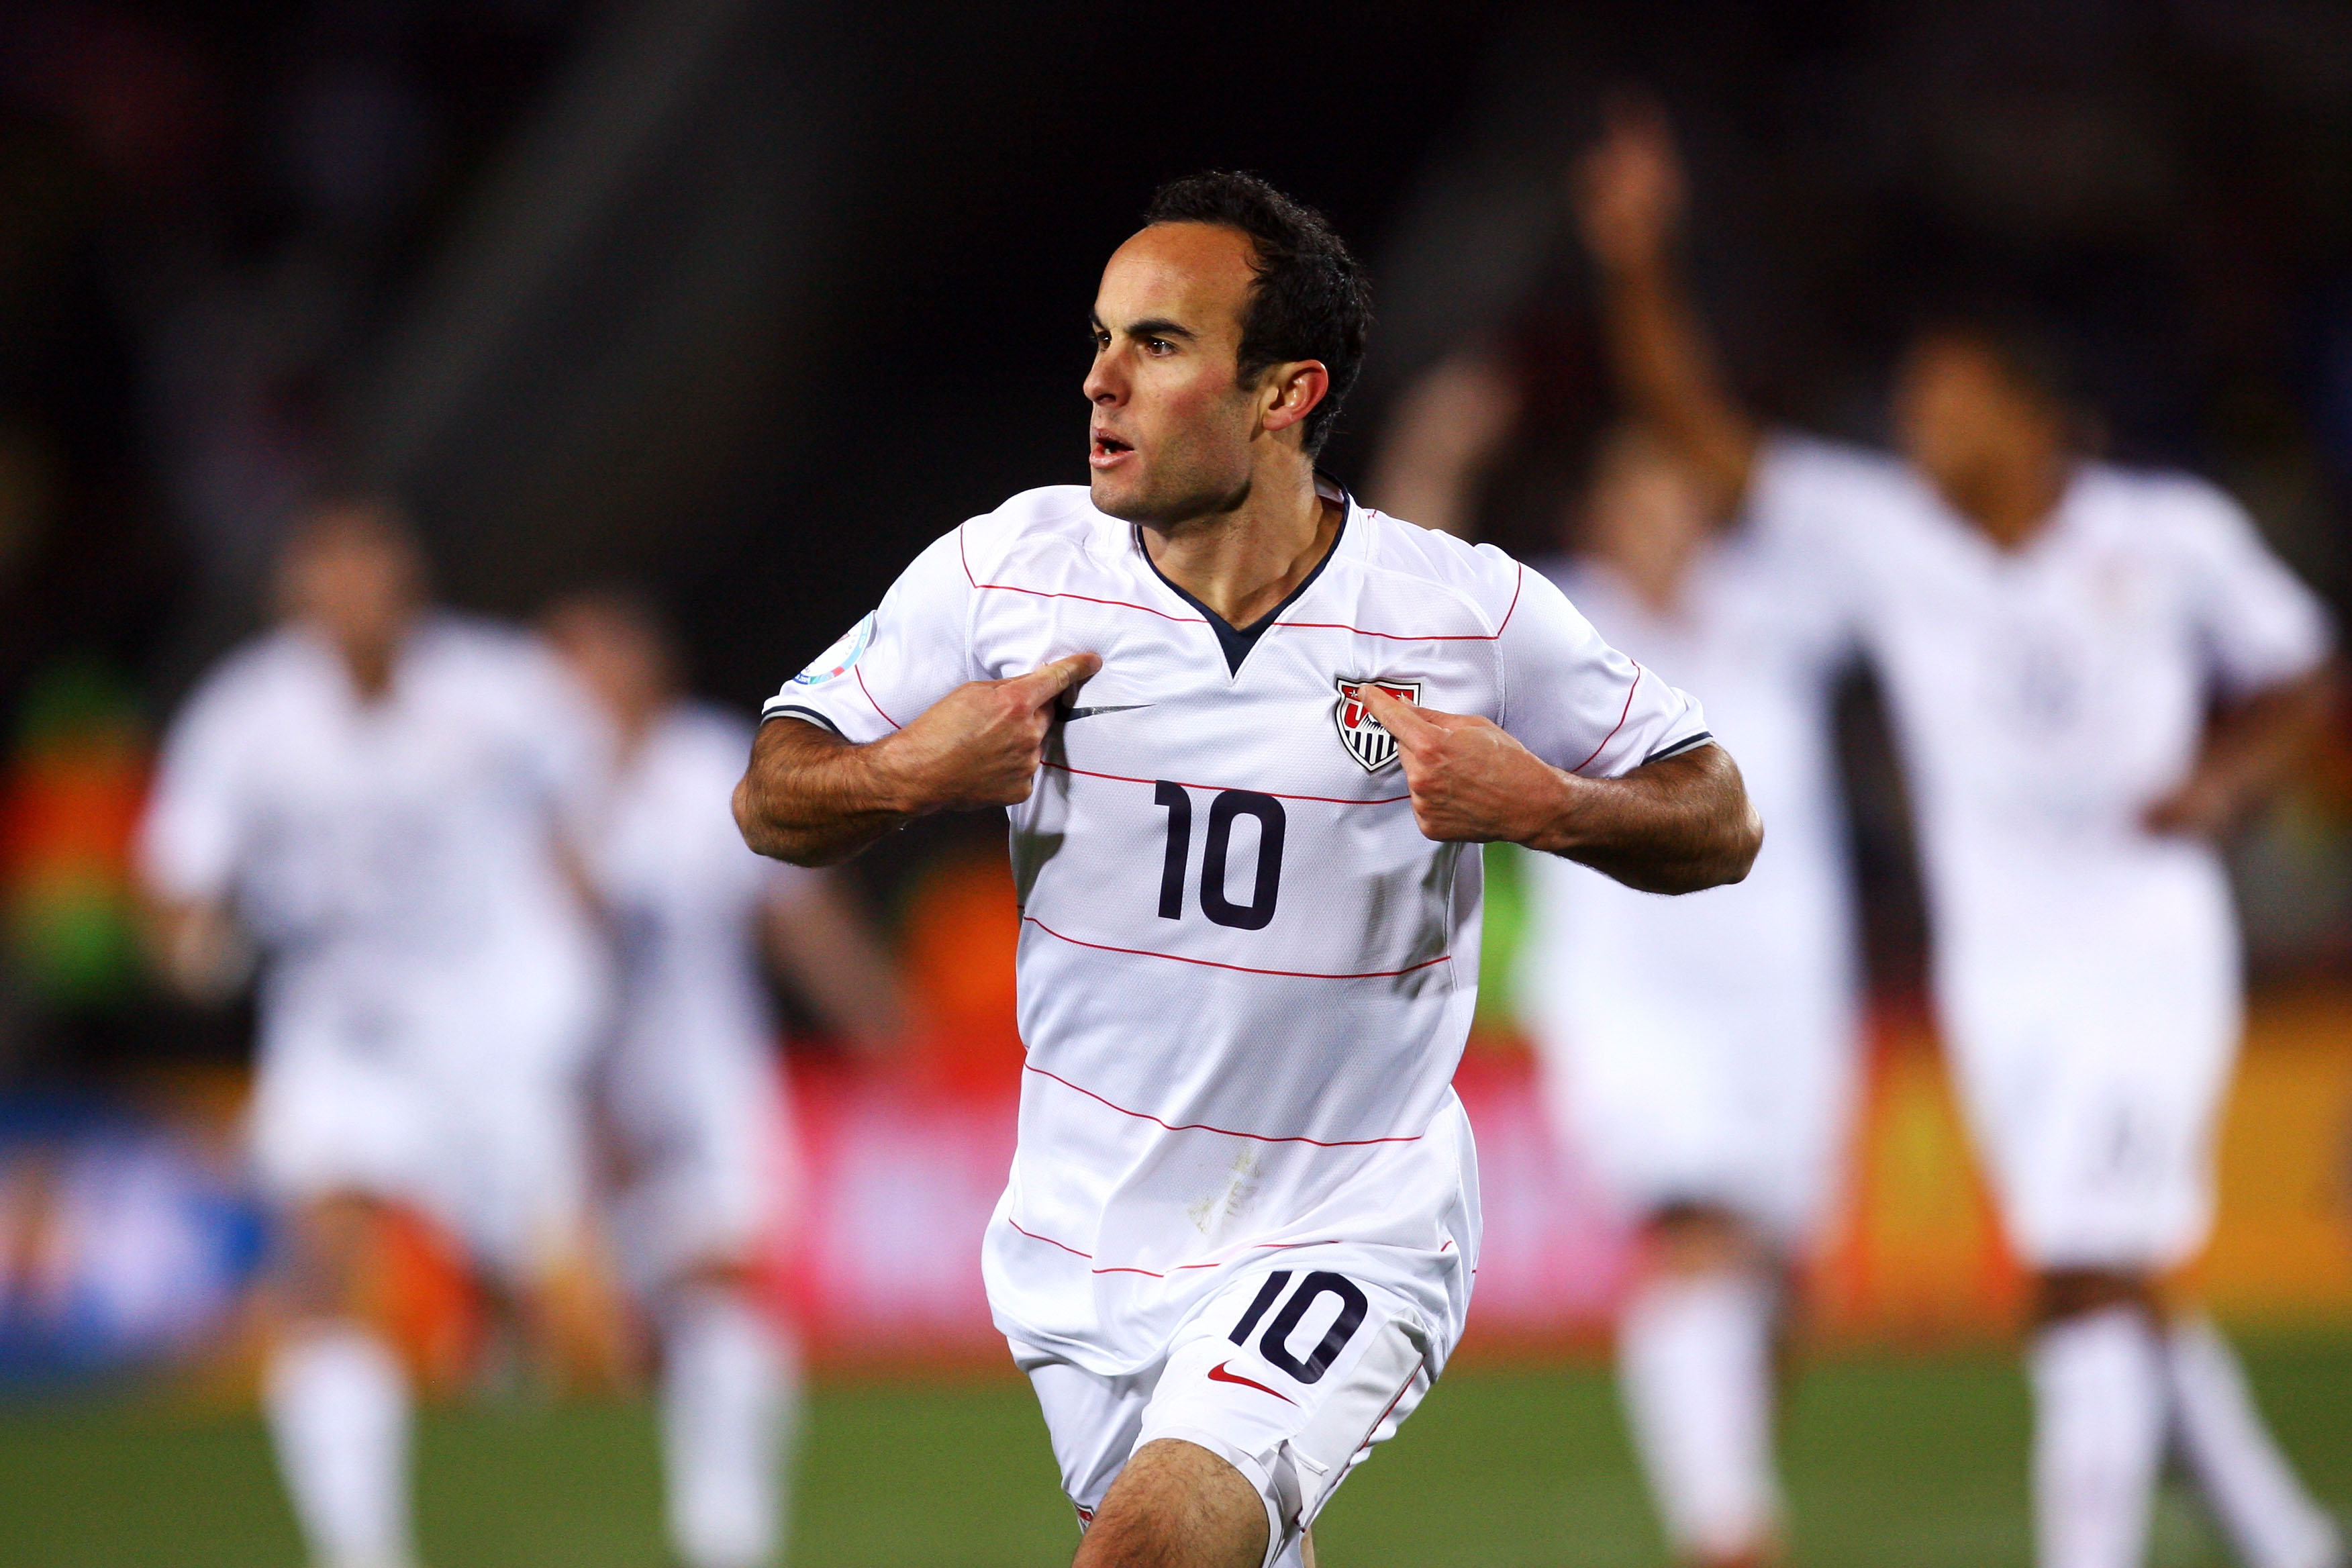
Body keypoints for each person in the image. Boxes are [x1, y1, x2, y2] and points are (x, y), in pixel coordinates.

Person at [732, 170, 1761, 1568]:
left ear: (1284, 393)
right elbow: (774, 790)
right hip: (1082, 1241)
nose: (1100, 380)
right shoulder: (1008, 573)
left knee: (1150, 1555)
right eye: (1101, 338)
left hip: (1350, 1220)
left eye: (1156, 344)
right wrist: (914, 773)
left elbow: (1718, 812)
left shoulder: (1458, 610)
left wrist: (1549, 805)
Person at [1577, 101, 2345, 1568]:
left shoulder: (2163, 535)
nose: (1917, 428)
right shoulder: (1893, 539)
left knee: (2086, 1274)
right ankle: (2287, 1536)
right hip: (2004, 984)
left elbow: (2303, 664)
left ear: (2026, 412)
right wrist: (1638, 265)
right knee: (2102, 1281)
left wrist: (2231, 784)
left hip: (2142, 952)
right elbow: (1701, 430)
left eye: (1943, 403)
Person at [1376, 384, 1861, 1564]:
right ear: (1603, 515)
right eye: (1637, 496)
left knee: (1777, 1280)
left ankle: (1730, 1481)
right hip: (1629, 997)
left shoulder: (1779, 611)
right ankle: (1729, 1532)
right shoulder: (1561, 625)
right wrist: (1437, 447)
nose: (1661, 518)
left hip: (1791, 997)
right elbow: (1394, 604)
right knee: (1694, 1235)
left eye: (1679, 494)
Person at [138, 499, 614, 1568]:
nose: (353, 596)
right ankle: (361, 1550)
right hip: (341, 1032)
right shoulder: (245, 717)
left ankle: (499, 1306)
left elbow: (585, 809)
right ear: (295, 596)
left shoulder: (499, 689)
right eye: (329, 574)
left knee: (534, 1293)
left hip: (494, 1024)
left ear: (410, 587)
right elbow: (173, 880)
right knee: (324, 1266)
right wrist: (192, 947)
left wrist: (585, 964)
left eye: (373, 571)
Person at [544, 588, 905, 1568]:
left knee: (728, 1293)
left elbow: (793, 910)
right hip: (575, 1098)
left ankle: (727, 1536)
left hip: (707, 1081)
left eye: (606, 654)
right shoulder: (537, 788)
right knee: (639, 1336)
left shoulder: (706, 763)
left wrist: (873, 1012)